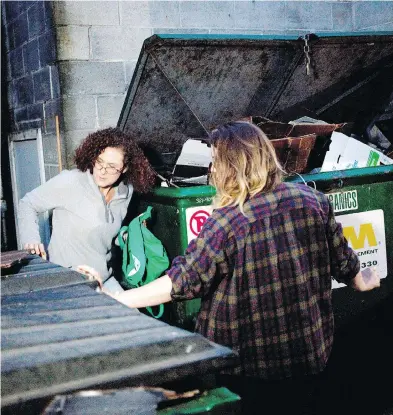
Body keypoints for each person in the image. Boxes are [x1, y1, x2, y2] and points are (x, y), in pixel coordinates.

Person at [79, 122, 380, 413]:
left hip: (250, 369)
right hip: (310, 358)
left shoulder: (227, 222)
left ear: (228, 167)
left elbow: (180, 283)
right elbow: (349, 269)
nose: (211, 170)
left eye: (214, 162)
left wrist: (119, 300)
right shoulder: (313, 201)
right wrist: (367, 279)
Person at [19, 127, 155, 291]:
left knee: (133, 315)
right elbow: (27, 203)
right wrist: (31, 238)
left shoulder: (125, 193)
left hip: (103, 278)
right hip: (68, 280)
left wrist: (129, 236)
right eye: (99, 162)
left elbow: (107, 235)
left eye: (112, 166)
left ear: (125, 168)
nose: (102, 171)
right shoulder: (71, 181)